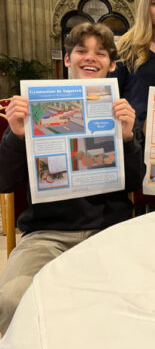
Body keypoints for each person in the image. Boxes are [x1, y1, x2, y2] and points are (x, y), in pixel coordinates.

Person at [0, 22, 144, 334]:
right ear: (67, 59)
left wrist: (128, 138)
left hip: (108, 231)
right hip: (47, 232)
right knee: (12, 299)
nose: (90, 58)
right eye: (81, 51)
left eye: (100, 53)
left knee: (133, 303)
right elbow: (3, 181)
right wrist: (17, 136)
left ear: (111, 64)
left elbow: (135, 182)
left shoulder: (120, 110)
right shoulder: (35, 108)